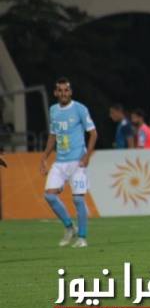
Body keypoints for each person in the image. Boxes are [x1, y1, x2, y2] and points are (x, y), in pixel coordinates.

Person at [40, 77, 98, 248]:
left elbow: (93, 133)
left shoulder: (80, 109)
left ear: (70, 92)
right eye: (60, 90)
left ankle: (82, 238)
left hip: (77, 162)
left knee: (78, 200)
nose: (64, 93)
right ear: (55, 93)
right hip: (60, 162)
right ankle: (69, 227)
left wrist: (87, 156)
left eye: (66, 90)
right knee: (49, 196)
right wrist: (44, 156)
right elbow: (53, 135)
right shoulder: (53, 110)